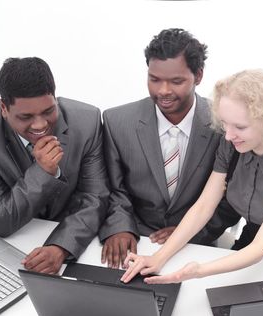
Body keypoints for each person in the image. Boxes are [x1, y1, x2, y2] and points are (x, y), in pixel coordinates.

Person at [121, 69, 263, 284]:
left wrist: (198, 271)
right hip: (248, 244)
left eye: (240, 127)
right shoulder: (231, 145)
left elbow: (260, 248)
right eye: (225, 123)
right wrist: (158, 258)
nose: (229, 135)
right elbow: (204, 206)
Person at [99, 28, 240, 268]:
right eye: (154, 79)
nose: (163, 90)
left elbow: (233, 198)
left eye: (176, 81)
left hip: (197, 246)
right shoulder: (116, 122)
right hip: (135, 238)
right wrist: (121, 227)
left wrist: (193, 233)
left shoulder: (225, 125)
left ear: (198, 76)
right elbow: (113, 187)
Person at [0, 57, 109, 274]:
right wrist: (42, 172)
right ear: (3, 107)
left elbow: (95, 198)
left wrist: (60, 247)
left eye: (49, 111)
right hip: (11, 236)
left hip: (63, 224)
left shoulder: (88, 121)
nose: (40, 124)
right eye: (26, 116)